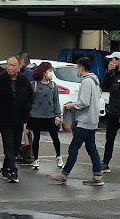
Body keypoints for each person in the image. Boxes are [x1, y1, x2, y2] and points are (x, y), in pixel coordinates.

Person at [47, 57, 104, 186]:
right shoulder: (95, 81)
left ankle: (64, 174)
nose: (77, 70)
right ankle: (97, 175)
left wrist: (71, 105)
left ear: (82, 68)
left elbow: (83, 102)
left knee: (73, 148)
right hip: (93, 120)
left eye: (77, 67)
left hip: (84, 120)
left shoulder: (86, 82)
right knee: (91, 148)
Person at [0, 55, 33, 183]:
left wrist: (27, 114)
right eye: (8, 65)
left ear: (19, 67)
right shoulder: (0, 80)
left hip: (19, 118)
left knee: (16, 144)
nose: (10, 68)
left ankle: (5, 167)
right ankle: (13, 171)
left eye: (13, 65)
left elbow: (29, 98)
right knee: (8, 145)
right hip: (4, 118)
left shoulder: (24, 80)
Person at [27, 62, 63, 170]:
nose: (51, 73)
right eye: (49, 71)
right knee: (36, 138)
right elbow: (29, 101)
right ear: (43, 71)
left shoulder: (53, 85)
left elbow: (56, 101)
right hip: (36, 115)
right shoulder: (34, 84)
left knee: (55, 137)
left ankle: (58, 156)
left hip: (50, 115)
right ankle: (36, 159)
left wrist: (58, 115)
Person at [15, 52, 35, 165]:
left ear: (22, 61)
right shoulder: (31, 72)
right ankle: (25, 153)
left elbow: (24, 91)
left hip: (25, 108)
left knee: (24, 131)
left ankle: (25, 154)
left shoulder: (27, 74)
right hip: (27, 107)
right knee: (26, 131)